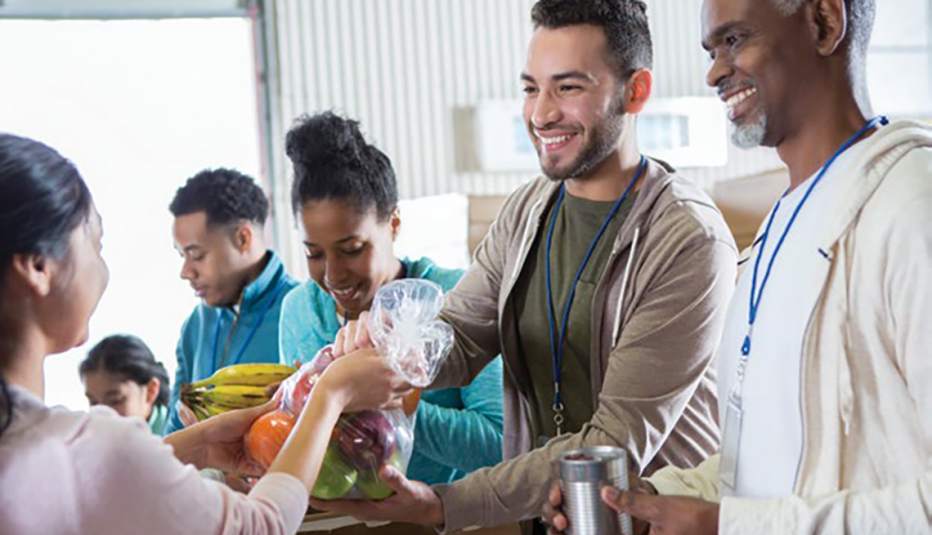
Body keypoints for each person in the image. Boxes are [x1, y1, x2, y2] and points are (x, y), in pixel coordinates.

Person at [313, 1, 738, 532]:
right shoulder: (528, 211)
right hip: (548, 519)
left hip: (644, 521)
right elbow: (459, 336)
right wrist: (390, 350)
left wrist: (445, 504)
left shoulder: (687, 239)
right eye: (531, 88)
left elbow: (613, 443)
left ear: (635, 91)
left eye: (568, 87)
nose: (540, 114)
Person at [544, 0, 932, 533]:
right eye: (711, 51)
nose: (713, 73)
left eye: (734, 40)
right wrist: (656, 499)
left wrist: (725, 525)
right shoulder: (780, 226)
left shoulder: (911, 206)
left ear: (825, 23)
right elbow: (762, 463)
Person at [0, 133, 413, 534]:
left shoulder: (47, 450)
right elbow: (262, 525)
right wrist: (331, 394)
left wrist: (194, 447)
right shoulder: (89, 444)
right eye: (96, 243)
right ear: (37, 267)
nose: (185, 271)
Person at [278, 111, 504, 485]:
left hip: (444, 512)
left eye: (352, 249)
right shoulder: (299, 311)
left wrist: (395, 399)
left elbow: (499, 444)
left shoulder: (455, 297)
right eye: (313, 254)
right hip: (338, 515)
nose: (333, 275)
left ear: (394, 223)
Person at [166, 169, 299, 433]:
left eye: (197, 255)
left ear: (243, 238)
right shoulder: (196, 325)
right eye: (182, 256)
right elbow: (173, 431)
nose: (185, 272)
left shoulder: (303, 311)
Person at [80, 334, 172, 435]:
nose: (103, 415)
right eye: (93, 403)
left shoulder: (177, 435)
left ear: (150, 391)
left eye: (115, 401)